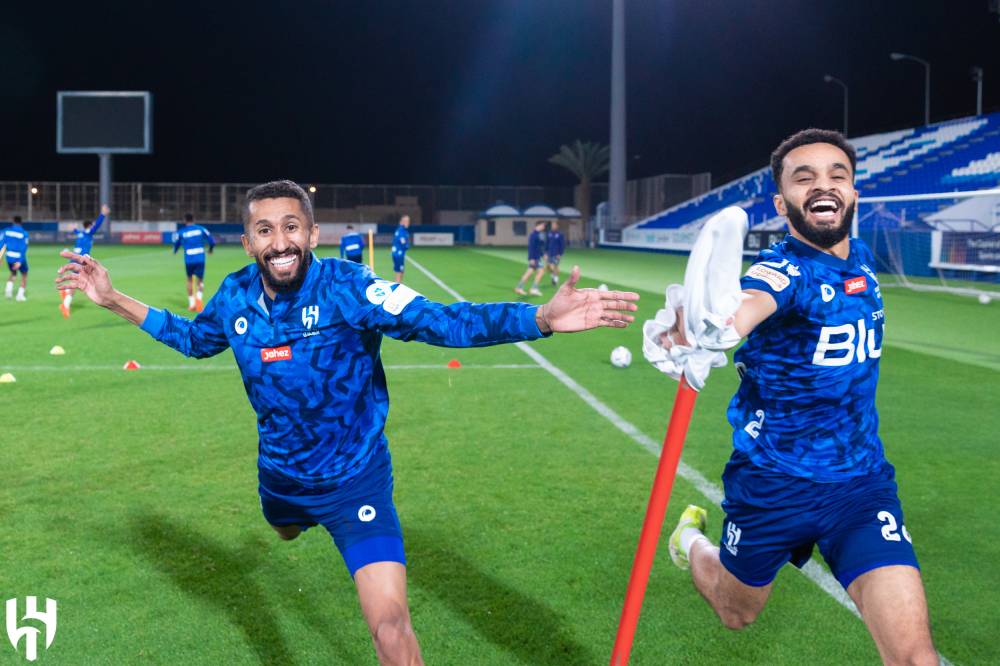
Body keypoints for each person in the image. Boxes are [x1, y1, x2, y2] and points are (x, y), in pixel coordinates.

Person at [56, 179, 639, 666]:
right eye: (265, 229)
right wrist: (111, 299)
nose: (279, 241)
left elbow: (441, 322)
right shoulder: (234, 297)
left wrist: (538, 316)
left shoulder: (349, 287)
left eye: (291, 226)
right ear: (247, 241)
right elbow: (190, 338)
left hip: (357, 479)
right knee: (283, 530)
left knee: (390, 625)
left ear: (312, 234)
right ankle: (291, 524)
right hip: (281, 479)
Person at [662, 129, 937, 665]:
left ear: (854, 192)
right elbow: (743, 308)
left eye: (837, 175)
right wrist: (703, 328)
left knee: (915, 658)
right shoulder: (782, 271)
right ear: (781, 201)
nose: (822, 185)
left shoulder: (860, 259)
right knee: (735, 612)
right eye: (803, 177)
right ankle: (692, 541)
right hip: (773, 484)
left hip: (861, 488)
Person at [60, 204, 110, 318]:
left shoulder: (81, 233)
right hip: (80, 260)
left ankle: (66, 295)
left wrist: (73, 228)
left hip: (74, 259)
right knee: (79, 282)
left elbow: (76, 231)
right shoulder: (88, 233)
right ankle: (65, 304)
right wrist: (103, 214)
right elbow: (96, 226)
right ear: (90, 225)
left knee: (79, 282)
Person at [173, 213, 216, 312]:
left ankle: (192, 304)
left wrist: (175, 251)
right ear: (194, 219)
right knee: (200, 281)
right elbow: (212, 241)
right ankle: (199, 300)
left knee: (189, 280)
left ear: (184, 220)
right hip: (200, 258)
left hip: (189, 259)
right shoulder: (201, 229)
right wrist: (210, 250)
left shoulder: (181, 232)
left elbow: (177, 243)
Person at [514, 220, 547, 296]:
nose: (543, 227)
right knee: (538, 272)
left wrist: (543, 255)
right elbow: (531, 248)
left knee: (532, 272)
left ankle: (520, 288)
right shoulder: (534, 235)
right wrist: (531, 258)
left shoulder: (538, 234)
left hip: (537, 257)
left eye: (544, 226)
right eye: (542, 225)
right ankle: (532, 289)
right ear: (538, 225)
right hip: (534, 258)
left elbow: (539, 247)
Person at [3, 216, 29, 302]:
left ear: (13, 221)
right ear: (21, 222)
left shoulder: (6, 231)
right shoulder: (24, 233)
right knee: (24, 274)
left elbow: (2, 244)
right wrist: (19, 261)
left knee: (13, 273)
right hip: (18, 257)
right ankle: (20, 296)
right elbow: (24, 248)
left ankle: (8, 291)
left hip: (9, 256)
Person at [545, 220, 565, 286]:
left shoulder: (560, 234)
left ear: (557, 226)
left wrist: (560, 253)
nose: (553, 226)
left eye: (554, 225)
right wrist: (545, 252)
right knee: (548, 267)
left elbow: (562, 244)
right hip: (549, 253)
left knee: (555, 266)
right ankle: (554, 276)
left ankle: (555, 279)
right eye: (552, 225)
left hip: (556, 254)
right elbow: (547, 243)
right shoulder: (549, 233)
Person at [391, 215, 410, 282]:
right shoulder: (401, 231)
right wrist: (407, 246)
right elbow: (404, 243)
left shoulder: (401, 230)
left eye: (408, 221)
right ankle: (397, 289)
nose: (408, 223)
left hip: (397, 254)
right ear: (402, 222)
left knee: (401, 271)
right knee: (399, 272)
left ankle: (399, 286)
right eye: (406, 221)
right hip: (398, 254)